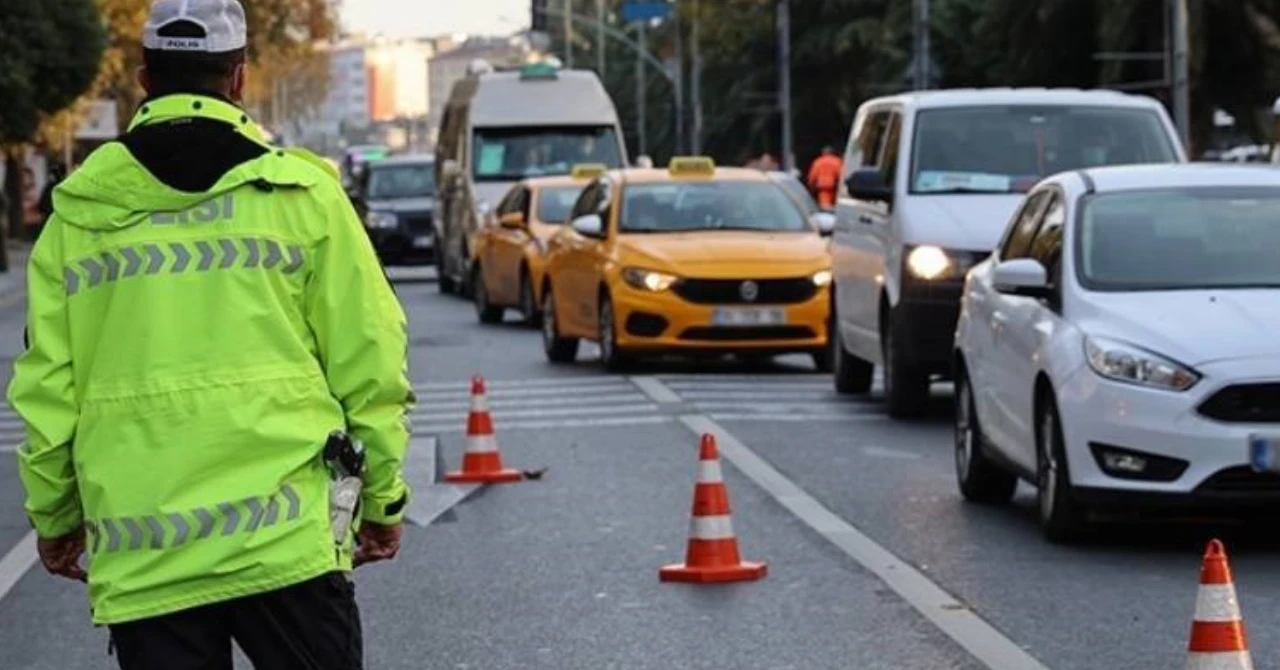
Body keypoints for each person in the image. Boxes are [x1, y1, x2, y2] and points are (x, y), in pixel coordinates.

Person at [8, 1, 413, 668]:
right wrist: (383, 497)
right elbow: (370, 358)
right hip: (287, 551)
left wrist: (55, 518)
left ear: (143, 78)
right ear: (239, 78)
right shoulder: (303, 198)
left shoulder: (77, 219)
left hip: (148, 558)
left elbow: (48, 391)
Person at [806, 146, 843, 210]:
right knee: (837, 208)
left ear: (823, 153)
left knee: (825, 208)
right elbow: (841, 175)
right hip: (835, 188)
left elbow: (812, 176)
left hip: (823, 189)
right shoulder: (837, 161)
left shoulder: (818, 162)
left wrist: (811, 187)